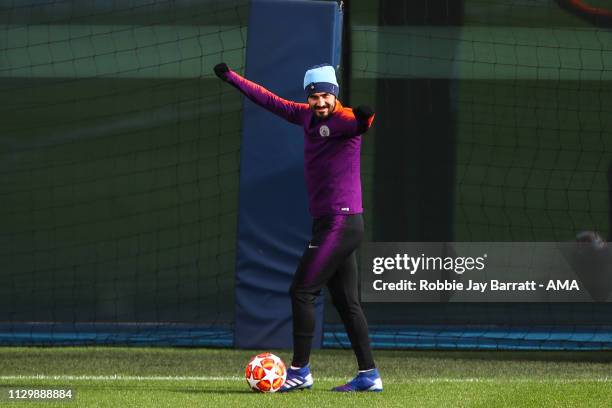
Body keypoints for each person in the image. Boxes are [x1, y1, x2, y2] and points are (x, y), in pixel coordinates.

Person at [214, 62, 382, 392]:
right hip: (329, 223)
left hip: (341, 221)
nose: (319, 102)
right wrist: (231, 77)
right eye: (313, 97)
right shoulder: (304, 116)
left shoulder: (345, 119)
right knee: (347, 304)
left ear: (335, 95)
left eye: (324, 96)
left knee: (302, 291)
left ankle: (300, 371)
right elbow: (267, 99)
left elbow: (363, 123)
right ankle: (369, 375)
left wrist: (366, 116)